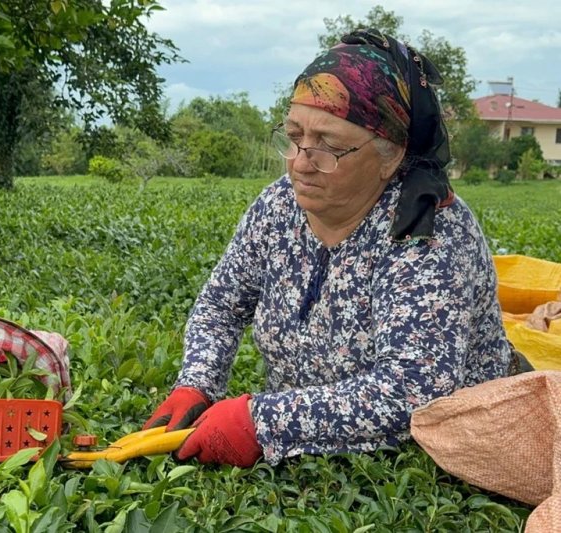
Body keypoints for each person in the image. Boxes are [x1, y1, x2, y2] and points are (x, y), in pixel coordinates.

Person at [144, 29, 511, 468]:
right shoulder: (278, 206)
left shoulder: (426, 229)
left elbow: (413, 389)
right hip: (306, 447)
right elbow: (221, 306)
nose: (301, 162)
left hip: (434, 450)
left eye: (330, 147)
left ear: (390, 155)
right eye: (293, 137)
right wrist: (198, 383)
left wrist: (261, 422)